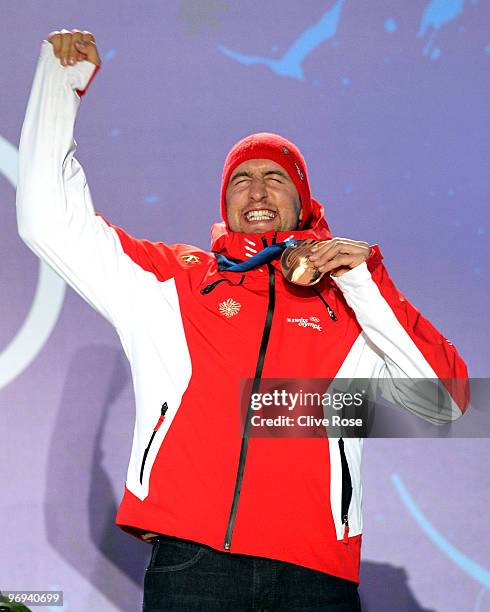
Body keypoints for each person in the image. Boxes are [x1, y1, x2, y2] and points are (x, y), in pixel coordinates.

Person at [16, 30, 469, 612]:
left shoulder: (351, 304)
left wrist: (362, 277)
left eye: (275, 177)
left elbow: (446, 402)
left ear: (303, 199)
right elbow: (46, 222)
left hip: (314, 576)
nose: (256, 190)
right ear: (224, 200)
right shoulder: (173, 282)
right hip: (193, 564)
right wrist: (60, 90)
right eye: (240, 179)